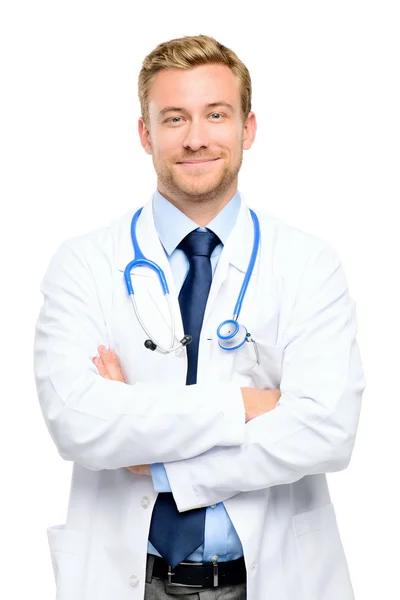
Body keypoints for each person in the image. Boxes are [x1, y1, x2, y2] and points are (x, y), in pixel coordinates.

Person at [34, 34, 365, 600]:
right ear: (145, 133)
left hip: (277, 578)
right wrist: (247, 403)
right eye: (173, 118)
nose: (195, 138)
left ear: (248, 128)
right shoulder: (84, 263)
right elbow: (79, 423)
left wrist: (162, 466)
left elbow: (327, 431)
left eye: (216, 114)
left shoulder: (309, 264)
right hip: (132, 580)